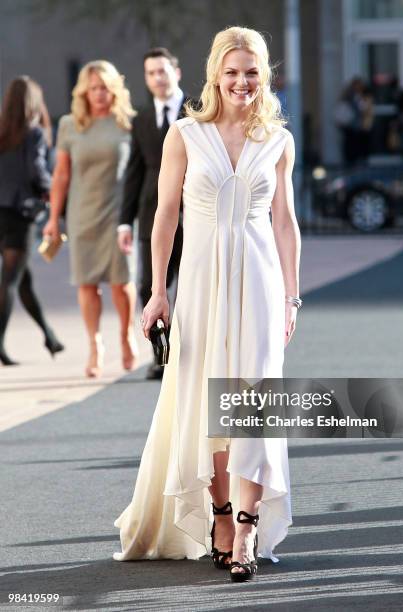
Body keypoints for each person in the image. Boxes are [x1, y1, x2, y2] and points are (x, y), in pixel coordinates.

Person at [113, 26, 301, 583]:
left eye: (252, 72)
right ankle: (219, 519)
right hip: (198, 285)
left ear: (264, 76)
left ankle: (247, 527)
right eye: (232, 72)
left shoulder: (279, 140)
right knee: (207, 406)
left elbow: (286, 224)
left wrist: (292, 296)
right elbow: (164, 215)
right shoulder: (184, 136)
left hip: (262, 287)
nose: (242, 82)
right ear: (215, 75)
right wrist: (157, 290)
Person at [43, 61, 137, 378]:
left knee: (121, 282)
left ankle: (125, 335)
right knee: (86, 283)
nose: (99, 94)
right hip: (82, 214)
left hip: (119, 212)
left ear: (114, 90)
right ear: (84, 92)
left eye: (105, 88)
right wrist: (54, 218)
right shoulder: (71, 124)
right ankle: (95, 345)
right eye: (93, 88)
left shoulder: (128, 123)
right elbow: (61, 175)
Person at [117, 47, 190, 380]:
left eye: (162, 71)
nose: (157, 78)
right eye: (151, 73)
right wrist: (124, 221)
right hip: (151, 212)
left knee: (188, 284)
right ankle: (162, 356)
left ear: (176, 72)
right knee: (151, 285)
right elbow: (133, 172)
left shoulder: (198, 111)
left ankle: (191, 350)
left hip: (194, 211)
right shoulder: (142, 120)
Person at [0, 76, 64, 366]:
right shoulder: (34, 133)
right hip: (18, 215)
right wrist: (52, 189)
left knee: (23, 280)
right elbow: (36, 171)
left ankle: (48, 335)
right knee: (11, 281)